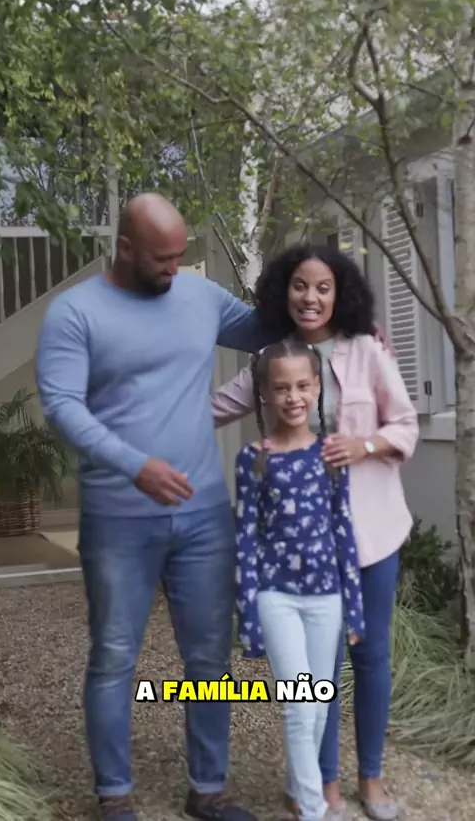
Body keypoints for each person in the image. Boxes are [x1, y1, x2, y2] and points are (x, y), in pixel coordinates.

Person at [35, 193, 279, 821]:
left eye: (180, 255)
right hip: (117, 517)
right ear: (125, 248)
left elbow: (265, 331)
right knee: (115, 655)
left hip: (204, 515)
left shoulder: (199, 297)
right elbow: (62, 406)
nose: (175, 268)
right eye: (163, 259)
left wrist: (346, 320)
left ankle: (209, 790)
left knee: (209, 657)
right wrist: (134, 465)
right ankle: (114, 796)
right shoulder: (75, 313)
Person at [211, 243, 419, 821]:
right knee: (315, 674)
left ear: (339, 293)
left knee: (370, 656)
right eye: (300, 286)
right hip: (302, 551)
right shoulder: (271, 361)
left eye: (323, 287)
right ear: (284, 292)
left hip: (371, 531)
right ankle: (321, 783)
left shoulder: (368, 350)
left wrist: (365, 445)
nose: (311, 297)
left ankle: (371, 776)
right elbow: (210, 409)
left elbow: (405, 425)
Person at [234, 339, 365, 821]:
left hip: (325, 597)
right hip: (277, 597)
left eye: (302, 386)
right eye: (282, 387)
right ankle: (312, 809)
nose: (293, 397)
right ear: (265, 394)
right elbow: (245, 537)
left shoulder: (330, 454)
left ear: (317, 388)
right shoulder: (254, 458)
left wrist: (354, 608)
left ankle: (296, 789)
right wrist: (248, 615)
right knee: (300, 705)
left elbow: (343, 528)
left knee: (320, 705)